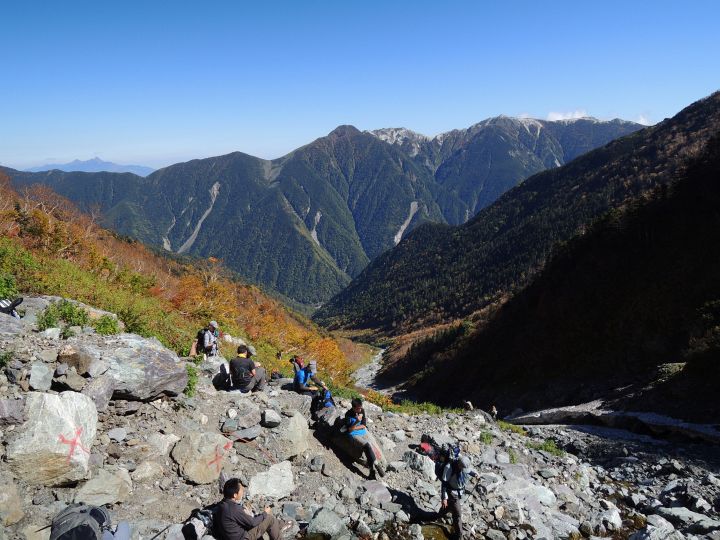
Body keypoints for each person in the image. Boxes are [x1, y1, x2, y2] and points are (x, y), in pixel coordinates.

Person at [216, 478, 290, 540]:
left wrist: (247, 514)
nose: (243, 491)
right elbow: (252, 523)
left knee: (260, 518)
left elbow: (239, 518)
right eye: (241, 490)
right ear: (235, 495)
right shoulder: (233, 509)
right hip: (243, 537)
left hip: (234, 535)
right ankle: (279, 527)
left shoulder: (223, 504)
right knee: (269, 518)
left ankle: (279, 525)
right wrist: (265, 513)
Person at [436, 446, 477, 540]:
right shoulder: (449, 467)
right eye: (463, 468)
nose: (465, 470)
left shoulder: (462, 463)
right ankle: (459, 536)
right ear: (459, 465)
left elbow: (468, 471)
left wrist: (475, 474)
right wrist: (444, 498)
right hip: (452, 492)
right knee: (457, 514)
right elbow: (444, 483)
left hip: (459, 491)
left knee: (449, 506)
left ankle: (438, 515)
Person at [344, 398, 384, 480]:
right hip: (353, 434)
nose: (360, 410)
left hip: (362, 432)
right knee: (367, 445)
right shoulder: (348, 415)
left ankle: (372, 472)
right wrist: (356, 421)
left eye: (360, 408)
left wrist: (355, 427)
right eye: (358, 409)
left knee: (369, 448)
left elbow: (364, 425)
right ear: (353, 407)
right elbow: (349, 430)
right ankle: (376, 464)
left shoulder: (362, 410)